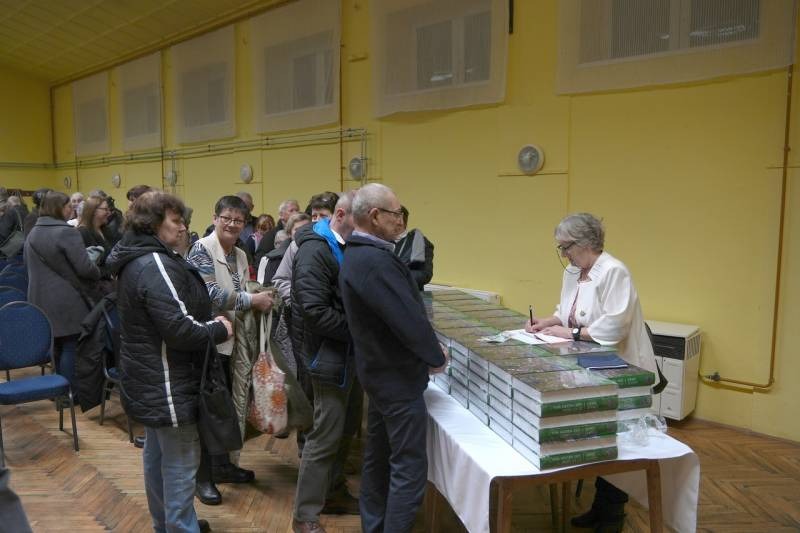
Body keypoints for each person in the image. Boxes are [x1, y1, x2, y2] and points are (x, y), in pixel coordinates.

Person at [106, 191, 231, 533]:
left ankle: (167, 524)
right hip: (167, 381)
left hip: (151, 378)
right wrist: (219, 328)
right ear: (152, 224)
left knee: (158, 457)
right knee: (180, 464)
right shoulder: (154, 263)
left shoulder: (139, 257)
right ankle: (180, 527)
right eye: (175, 221)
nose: (183, 227)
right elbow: (180, 329)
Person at [524, 212, 658, 532]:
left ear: (585, 243)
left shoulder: (614, 271)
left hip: (621, 369)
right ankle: (601, 508)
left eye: (565, 247)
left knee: (618, 440)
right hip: (590, 366)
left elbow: (613, 327)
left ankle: (612, 517)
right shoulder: (573, 271)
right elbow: (567, 311)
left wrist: (569, 334)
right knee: (599, 435)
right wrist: (547, 322)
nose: (563, 255)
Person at [339, 183, 447, 533]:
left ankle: (374, 526)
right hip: (396, 379)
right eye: (396, 213)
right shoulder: (376, 261)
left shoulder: (358, 254)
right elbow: (407, 319)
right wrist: (435, 355)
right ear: (375, 216)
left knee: (379, 458)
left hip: (377, 374)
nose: (400, 220)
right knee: (408, 467)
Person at [187, 195, 273, 505]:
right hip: (210, 340)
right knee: (209, 413)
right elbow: (208, 293)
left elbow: (242, 288)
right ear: (215, 218)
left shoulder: (240, 252)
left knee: (227, 409)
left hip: (234, 341)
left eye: (239, 220)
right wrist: (253, 300)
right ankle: (203, 478)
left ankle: (223, 465)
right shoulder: (201, 249)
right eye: (227, 218)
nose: (232, 224)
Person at [291, 192, 361, 533]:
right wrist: (362, 330)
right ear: (341, 215)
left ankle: (333, 492)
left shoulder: (346, 245)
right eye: (362, 221)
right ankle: (304, 516)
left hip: (347, 354)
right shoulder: (315, 250)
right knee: (323, 436)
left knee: (345, 428)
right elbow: (315, 312)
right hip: (326, 357)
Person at [25, 191, 101, 394]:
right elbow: (85, 268)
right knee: (71, 345)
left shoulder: (33, 232)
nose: (72, 209)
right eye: (69, 206)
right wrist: (98, 268)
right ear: (58, 208)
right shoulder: (66, 232)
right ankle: (70, 393)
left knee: (56, 346)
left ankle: (58, 393)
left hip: (38, 298)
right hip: (66, 298)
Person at [394, 206, 434, 291]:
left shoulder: (420, 242)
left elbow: (425, 274)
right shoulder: (380, 240)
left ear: (400, 221)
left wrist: (395, 277)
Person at [254, 198, 300, 264]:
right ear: (281, 215)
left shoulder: (301, 232)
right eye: (291, 210)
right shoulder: (271, 236)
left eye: (297, 210)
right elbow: (260, 260)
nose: (296, 213)